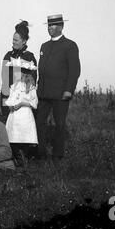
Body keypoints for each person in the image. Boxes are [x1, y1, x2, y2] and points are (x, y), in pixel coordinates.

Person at [36, 14, 80, 164]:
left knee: (59, 124)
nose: (50, 28)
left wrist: (69, 90)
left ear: (61, 26)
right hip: (43, 93)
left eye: (53, 25)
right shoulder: (44, 46)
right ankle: (41, 153)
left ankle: (57, 155)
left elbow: (74, 71)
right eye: (49, 26)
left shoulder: (70, 45)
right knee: (39, 122)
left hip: (60, 93)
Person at [1, 20, 37, 119]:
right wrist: (5, 101)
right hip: (7, 96)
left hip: (21, 99)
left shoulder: (29, 56)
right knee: (7, 120)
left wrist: (22, 101)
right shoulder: (8, 55)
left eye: (16, 40)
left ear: (24, 41)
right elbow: (4, 78)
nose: (13, 42)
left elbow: (32, 81)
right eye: (13, 39)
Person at [5, 67, 39, 165]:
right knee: (14, 135)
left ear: (25, 74)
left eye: (19, 72)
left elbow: (34, 104)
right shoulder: (14, 86)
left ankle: (25, 157)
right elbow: (11, 99)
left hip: (25, 114)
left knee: (24, 135)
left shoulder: (31, 87)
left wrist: (22, 103)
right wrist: (10, 106)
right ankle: (17, 157)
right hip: (14, 115)